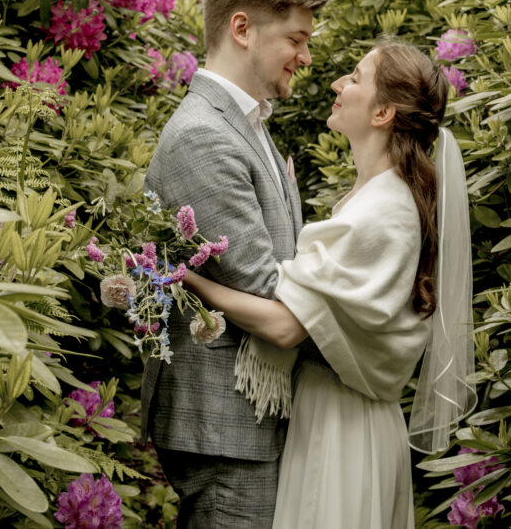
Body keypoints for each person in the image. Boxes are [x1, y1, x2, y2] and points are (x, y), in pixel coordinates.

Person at [182, 41, 478, 528]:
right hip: (333, 415)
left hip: (345, 430)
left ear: (383, 111)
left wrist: (191, 279)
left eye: (356, 78)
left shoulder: (385, 211)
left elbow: (283, 328)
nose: (338, 84)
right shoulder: (372, 197)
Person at [140, 0, 328, 528]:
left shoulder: (245, 125)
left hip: (247, 419)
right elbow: (267, 288)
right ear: (242, 28)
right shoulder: (203, 136)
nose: (306, 56)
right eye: (296, 38)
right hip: (225, 426)